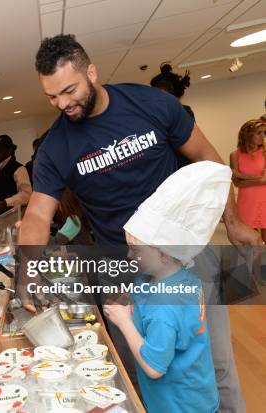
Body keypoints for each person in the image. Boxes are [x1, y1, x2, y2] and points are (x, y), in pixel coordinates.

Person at [19, 34, 256, 412]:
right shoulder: (56, 146)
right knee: (142, 371)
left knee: (214, 363)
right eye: (52, 96)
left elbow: (209, 164)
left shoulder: (151, 104)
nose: (62, 103)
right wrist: (27, 266)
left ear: (91, 72)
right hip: (123, 269)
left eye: (69, 90)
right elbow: (36, 214)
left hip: (186, 258)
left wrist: (233, 221)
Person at [104, 161, 229, 413]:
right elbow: (142, 292)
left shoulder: (165, 308)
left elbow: (154, 367)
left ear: (163, 253)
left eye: (135, 249)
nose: (129, 256)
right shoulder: (179, 277)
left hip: (179, 406)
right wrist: (128, 298)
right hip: (195, 395)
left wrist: (123, 322)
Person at [230, 120, 266, 242]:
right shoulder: (235, 155)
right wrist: (259, 179)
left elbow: (264, 180)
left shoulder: (265, 153)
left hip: (264, 200)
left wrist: (241, 175)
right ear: (248, 134)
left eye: (264, 133)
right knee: (252, 243)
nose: (263, 136)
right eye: (259, 133)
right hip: (246, 202)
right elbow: (236, 183)